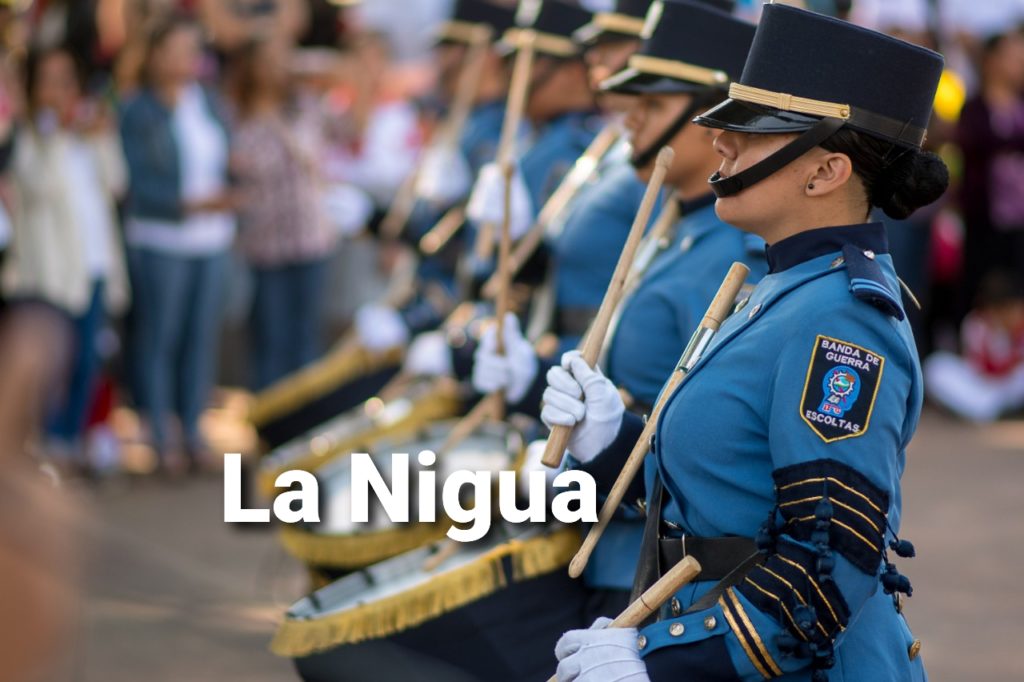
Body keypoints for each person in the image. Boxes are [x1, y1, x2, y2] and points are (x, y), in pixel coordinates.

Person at [546, 4, 948, 680]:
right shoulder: (783, 284)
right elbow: (728, 495)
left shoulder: (843, 319)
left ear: (825, 173)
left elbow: (831, 558)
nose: (721, 144)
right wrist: (613, 442)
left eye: (752, 133)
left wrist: (671, 661)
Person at [474, 0, 762, 617]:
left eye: (653, 106)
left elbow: (712, 440)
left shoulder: (731, 254)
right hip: (604, 531)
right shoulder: (673, 223)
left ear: (713, 120)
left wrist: (590, 442)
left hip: (653, 565)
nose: (629, 115)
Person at [2, 46, 129, 467]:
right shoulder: (26, 138)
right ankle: (43, 447)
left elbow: (117, 184)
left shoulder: (89, 136)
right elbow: (41, 188)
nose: (60, 91)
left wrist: (101, 138)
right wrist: (54, 132)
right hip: (49, 275)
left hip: (95, 265)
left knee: (88, 361)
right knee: (49, 366)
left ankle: (70, 442)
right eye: (49, 81)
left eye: (67, 81)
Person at [120, 14, 235, 471]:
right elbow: (134, 182)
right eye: (179, 49)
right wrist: (188, 205)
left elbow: (225, 158)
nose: (188, 59)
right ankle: (158, 430)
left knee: (200, 338)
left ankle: (191, 428)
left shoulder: (207, 101)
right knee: (160, 337)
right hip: (161, 237)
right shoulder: (138, 109)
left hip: (211, 238)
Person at [230, 36, 338, 389]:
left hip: (310, 236)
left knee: (306, 337)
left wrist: (299, 67)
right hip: (266, 242)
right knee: (270, 337)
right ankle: (271, 412)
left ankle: (304, 412)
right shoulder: (237, 118)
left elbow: (344, 76)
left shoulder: (304, 107)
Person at [956, 27, 1024, 321]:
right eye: (1013, 56)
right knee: (979, 284)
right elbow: (974, 144)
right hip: (984, 217)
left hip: (1019, 220)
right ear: (992, 61)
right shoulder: (974, 108)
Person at [924, 271, 1024, 421]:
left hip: (1009, 388)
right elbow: (982, 368)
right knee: (936, 366)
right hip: (981, 387)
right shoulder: (975, 324)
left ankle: (992, 410)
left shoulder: (1019, 328)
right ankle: (987, 410)